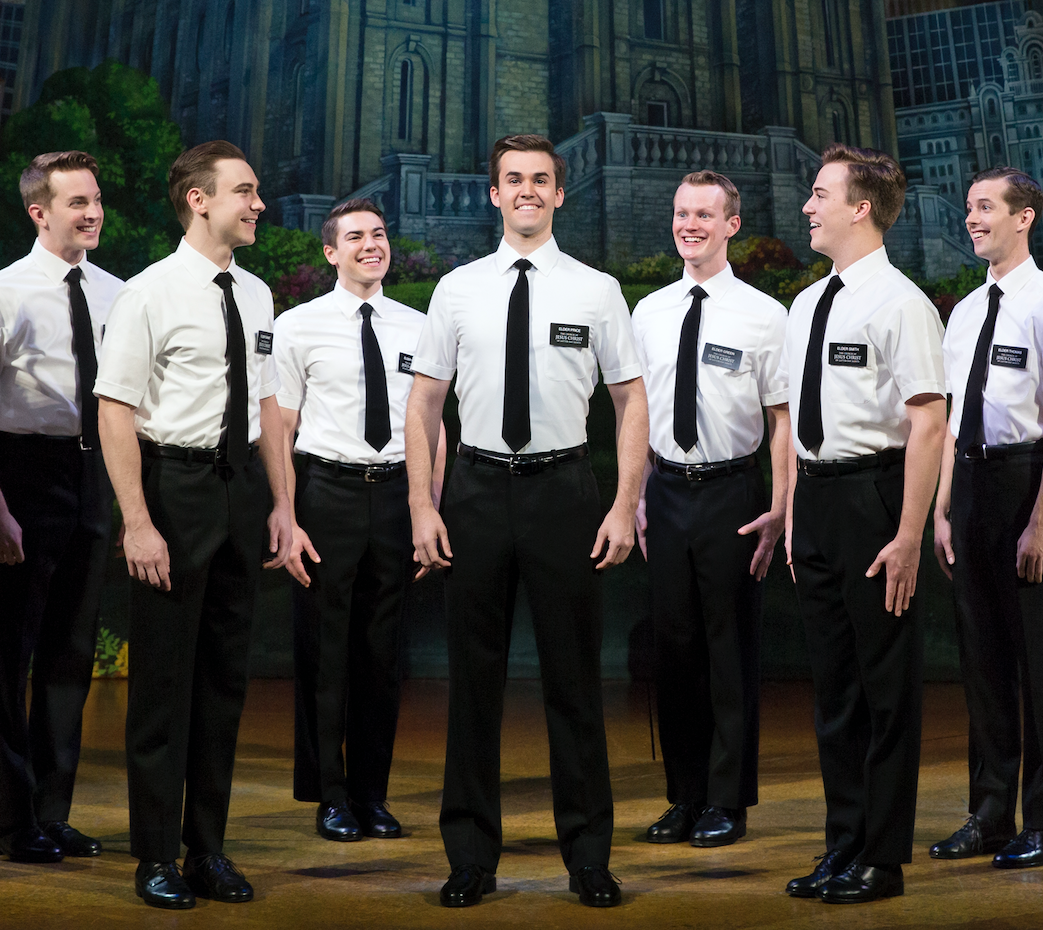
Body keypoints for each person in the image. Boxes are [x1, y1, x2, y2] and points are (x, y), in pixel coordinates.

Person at [405, 135, 648, 909]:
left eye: (541, 179)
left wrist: (623, 504)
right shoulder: (456, 290)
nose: (527, 191)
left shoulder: (597, 291)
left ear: (560, 194)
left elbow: (631, 402)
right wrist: (422, 504)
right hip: (475, 491)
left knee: (574, 683)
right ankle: (470, 858)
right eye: (513, 179)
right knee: (472, 683)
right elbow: (424, 403)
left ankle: (589, 858)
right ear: (494, 193)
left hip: (564, 493)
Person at [93, 141, 314, 910]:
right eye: (245, 192)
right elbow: (115, 410)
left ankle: (207, 849)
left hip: (239, 490)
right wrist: (137, 521)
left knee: (223, 684)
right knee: (163, 684)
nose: (259, 205)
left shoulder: (256, 294)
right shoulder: (148, 293)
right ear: (199, 199)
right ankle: (155, 855)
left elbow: (267, 407)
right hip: (173, 489)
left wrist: (281, 504)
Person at [780, 144, 947, 907]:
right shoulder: (807, 305)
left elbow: (928, 424)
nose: (807, 207)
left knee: (885, 690)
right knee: (836, 691)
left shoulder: (902, 303)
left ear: (861, 207)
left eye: (820, 195)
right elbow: (793, 422)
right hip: (816, 504)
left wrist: (909, 535)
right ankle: (842, 845)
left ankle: (882, 858)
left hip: (874, 501)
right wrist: (792, 513)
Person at [0, 151, 122, 866]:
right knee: (11, 654)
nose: (93, 212)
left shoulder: (117, 293)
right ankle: (11, 819)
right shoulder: (0, 293)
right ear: (39, 212)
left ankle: (54, 811)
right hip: (24, 470)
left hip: (94, 472)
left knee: (70, 653)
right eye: (78, 202)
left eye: (96, 199)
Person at [272, 197, 446, 843]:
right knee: (324, 651)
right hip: (327, 494)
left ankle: (372, 795)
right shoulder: (298, 326)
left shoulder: (419, 327)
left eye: (378, 234)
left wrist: (429, 507)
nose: (371, 245)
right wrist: (286, 513)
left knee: (382, 652)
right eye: (355, 237)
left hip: (398, 495)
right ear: (330, 252)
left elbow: (434, 425)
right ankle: (330, 795)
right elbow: (280, 427)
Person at [929, 168, 1043, 871]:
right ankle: (990, 813)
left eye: (985, 206)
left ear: (1025, 217)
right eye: (969, 207)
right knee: (983, 659)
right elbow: (948, 418)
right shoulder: (965, 311)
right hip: (969, 486)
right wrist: (942, 508)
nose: (972, 218)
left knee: (1040, 660)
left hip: (1026, 483)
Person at [630, 171, 791, 851]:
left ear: (732, 225)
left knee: (730, 650)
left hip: (733, 494)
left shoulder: (764, 315)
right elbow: (638, 413)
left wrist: (781, 504)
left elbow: (782, 420)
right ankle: (685, 795)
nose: (689, 225)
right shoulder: (648, 312)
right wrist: (636, 494)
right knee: (675, 651)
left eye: (703, 214)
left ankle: (727, 800)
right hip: (666, 493)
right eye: (681, 213)